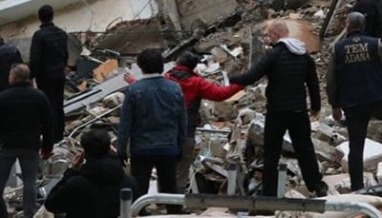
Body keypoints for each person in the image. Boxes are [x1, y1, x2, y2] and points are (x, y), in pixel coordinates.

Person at [229, 21, 327, 198]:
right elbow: (313, 83)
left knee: (271, 152)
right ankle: (316, 185)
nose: (268, 39)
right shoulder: (304, 55)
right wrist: (315, 107)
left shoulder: (273, 55)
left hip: (277, 111)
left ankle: (270, 193)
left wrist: (232, 78)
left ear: (275, 34)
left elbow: (251, 77)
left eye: (269, 35)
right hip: (299, 111)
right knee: (305, 148)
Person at [125, 52, 243, 193]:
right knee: (180, 172)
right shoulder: (197, 83)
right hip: (186, 131)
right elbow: (220, 94)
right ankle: (175, 204)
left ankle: (158, 202)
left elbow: (146, 91)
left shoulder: (167, 79)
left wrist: (132, 81)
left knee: (162, 171)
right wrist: (242, 83)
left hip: (164, 134)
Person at [326, 12, 382, 190]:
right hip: (378, 99)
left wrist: (334, 105)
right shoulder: (376, 44)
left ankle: (357, 186)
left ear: (348, 27)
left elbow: (331, 81)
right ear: (363, 26)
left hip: (353, 104)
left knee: (356, 146)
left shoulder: (338, 48)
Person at [117, 49, 186, 214]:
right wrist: (180, 145)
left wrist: (121, 149)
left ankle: (141, 214)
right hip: (168, 146)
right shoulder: (175, 88)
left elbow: (125, 123)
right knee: (170, 188)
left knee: (139, 189)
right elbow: (182, 120)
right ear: (162, 66)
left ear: (141, 67)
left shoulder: (134, 90)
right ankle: (175, 215)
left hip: (142, 147)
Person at [45, 129, 138, 218]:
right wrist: (116, 158)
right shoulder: (129, 183)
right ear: (110, 149)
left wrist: (71, 171)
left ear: (85, 153)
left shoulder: (75, 184)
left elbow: (51, 204)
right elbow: (137, 208)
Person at [0, 64, 53, 218]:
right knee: (30, 181)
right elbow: (49, 124)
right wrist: (47, 147)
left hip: (7, 145)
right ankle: (29, 214)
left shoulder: (3, 97)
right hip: (31, 145)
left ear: (14, 77)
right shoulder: (39, 97)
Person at [29, 5, 68, 143]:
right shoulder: (61, 33)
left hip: (45, 77)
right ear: (52, 16)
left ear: (40, 18)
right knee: (59, 104)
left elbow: (35, 59)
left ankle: (49, 136)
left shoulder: (39, 36)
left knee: (47, 105)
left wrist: (31, 76)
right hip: (59, 74)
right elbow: (65, 55)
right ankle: (60, 134)